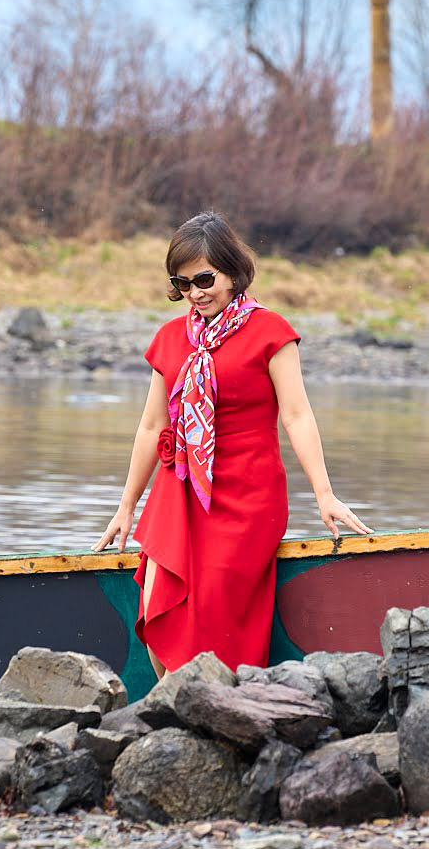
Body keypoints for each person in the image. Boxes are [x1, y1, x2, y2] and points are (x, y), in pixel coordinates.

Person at [93, 210, 371, 673]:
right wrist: (126, 507)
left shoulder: (271, 333)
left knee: (217, 612)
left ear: (233, 271)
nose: (195, 293)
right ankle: (169, 715)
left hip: (247, 495)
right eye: (182, 284)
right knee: (157, 601)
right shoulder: (170, 339)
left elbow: (297, 415)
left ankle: (218, 709)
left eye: (204, 279)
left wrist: (325, 494)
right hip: (178, 491)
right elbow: (149, 427)